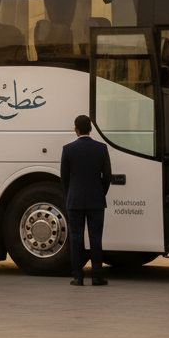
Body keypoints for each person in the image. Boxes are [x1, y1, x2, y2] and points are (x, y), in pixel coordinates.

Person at [60, 114, 112, 286]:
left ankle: (78, 276)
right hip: (96, 200)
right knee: (96, 238)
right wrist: (100, 193)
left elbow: (64, 178)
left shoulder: (68, 149)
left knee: (76, 238)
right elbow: (107, 176)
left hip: (74, 200)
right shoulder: (101, 148)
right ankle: (97, 276)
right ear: (90, 128)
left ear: (76, 129)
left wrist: (70, 195)